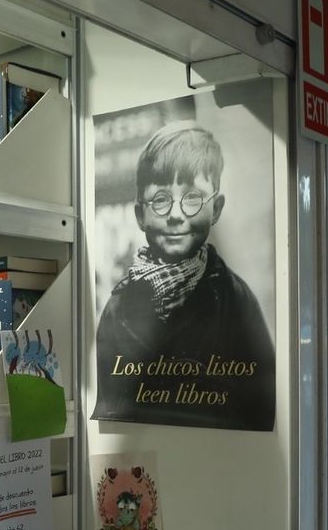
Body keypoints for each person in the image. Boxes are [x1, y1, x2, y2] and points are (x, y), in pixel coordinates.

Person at [92, 121, 275, 431]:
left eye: (192, 198)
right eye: (161, 200)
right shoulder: (118, 308)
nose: (176, 214)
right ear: (140, 215)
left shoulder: (235, 300)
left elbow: (260, 406)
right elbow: (111, 409)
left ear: (215, 208)